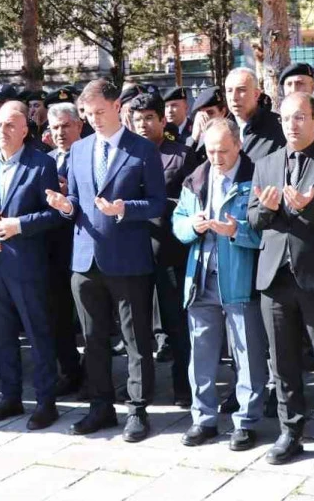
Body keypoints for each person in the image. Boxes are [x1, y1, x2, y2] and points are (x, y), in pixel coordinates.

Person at [45, 79, 166, 443]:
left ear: (117, 107)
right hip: (85, 259)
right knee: (93, 338)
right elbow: (77, 201)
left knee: (135, 339)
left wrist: (124, 208)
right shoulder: (80, 150)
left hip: (128, 258)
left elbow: (157, 202)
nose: (94, 119)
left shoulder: (142, 149)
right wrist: (65, 206)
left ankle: (137, 409)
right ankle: (100, 405)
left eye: (100, 111)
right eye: (88, 113)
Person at [249, 92, 314, 470]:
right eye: (286, 118)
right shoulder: (265, 164)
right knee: (282, 362)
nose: (292, 125)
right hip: (275, 277)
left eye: (299, 117)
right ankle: (290, 431)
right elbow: (253, 219)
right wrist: (267, 209)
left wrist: (311, 207)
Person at [173, 118, 267, 450]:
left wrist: (237, 231)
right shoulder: (196, 178)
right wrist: (192, 226)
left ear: (238, 145)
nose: (216, 158)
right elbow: (177, 223)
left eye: (223, 151)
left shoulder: (255, 177)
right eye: (211, 151)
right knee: (201, 353)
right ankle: (203, 419)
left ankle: (246, 421)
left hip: (240, 279)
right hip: (200, 278)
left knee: (247, 353)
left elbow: (267, 232)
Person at [0, 100, 62, 429]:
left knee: (38, 334)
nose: (3, 131)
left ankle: (46, 402)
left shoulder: (41, 164)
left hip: (27, 264)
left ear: (25, 129)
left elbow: (55, 214)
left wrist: (20, 225)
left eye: (11, 125)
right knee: (2, 336)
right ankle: (10, 398)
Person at [129, 91, 196, 407]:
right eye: (138, 119)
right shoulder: (127, 155)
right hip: (134, 251)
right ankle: (140, 388)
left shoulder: (181, 155)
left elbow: (191, 200)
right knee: (136, 324)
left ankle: (184, 387)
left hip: (171, 252)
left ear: (161, 119)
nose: (143, 125)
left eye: (149, 118)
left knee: (177, 324)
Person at [45, 102, 86, 395]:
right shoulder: (45, 160)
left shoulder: (90, 154)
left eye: (66, 126)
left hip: (84, 244)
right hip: (53, 249)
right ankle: (69, 371)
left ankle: (95, 376)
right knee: (58, 315)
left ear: (79, 125)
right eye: (55, 127)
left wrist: (68, 196)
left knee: (89, 319)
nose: (60, 133)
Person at [224, 68, 286, 162]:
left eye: (241, 90)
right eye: (229, 91)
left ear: (256, 94)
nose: (234, 97)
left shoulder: (279, 127)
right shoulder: (222, 129)